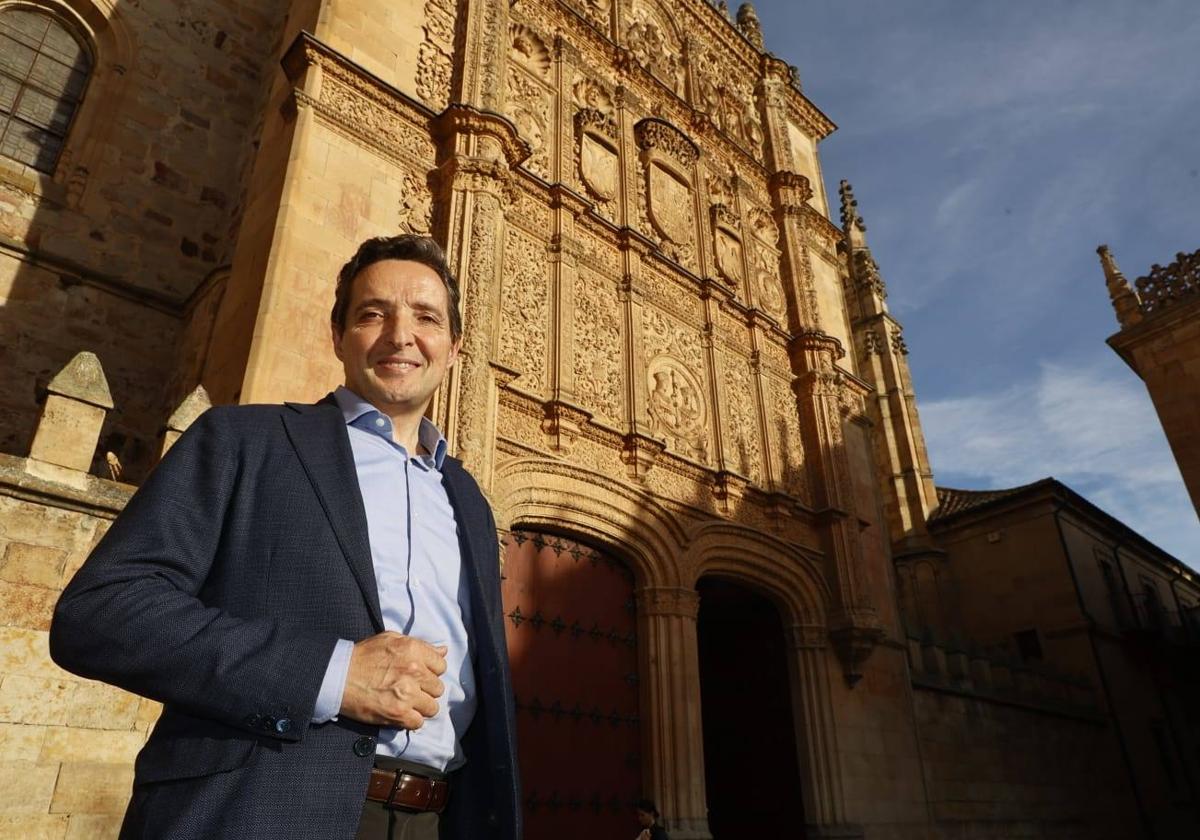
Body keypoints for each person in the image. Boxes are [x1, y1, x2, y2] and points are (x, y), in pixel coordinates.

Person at [50, 235, 520, 840]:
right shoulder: (244, 441)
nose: (401, 335)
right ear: (337, 335)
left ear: (454, 349)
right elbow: (100, 612)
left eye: (426, 317)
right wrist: (329, 673)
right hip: (256, 809)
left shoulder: (470, 501)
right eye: (373, 313)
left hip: (436, 819)